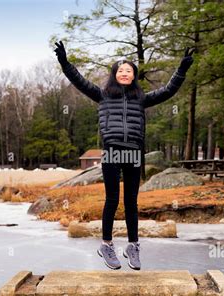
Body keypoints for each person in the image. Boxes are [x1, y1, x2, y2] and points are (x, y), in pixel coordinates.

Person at [54, 40, 194, 270]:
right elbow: (78, 80)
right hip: (112, 150)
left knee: (131, 201)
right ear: (115, 75)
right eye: (121, 71)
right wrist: (64, 62)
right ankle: (106, 245)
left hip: (135, 152)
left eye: (129, 71)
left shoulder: (142, 98)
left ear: (134, 76)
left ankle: (133, 246)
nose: (125, 73)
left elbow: (169, 90)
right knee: (112, 199)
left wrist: (182, 69)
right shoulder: (102, 95)